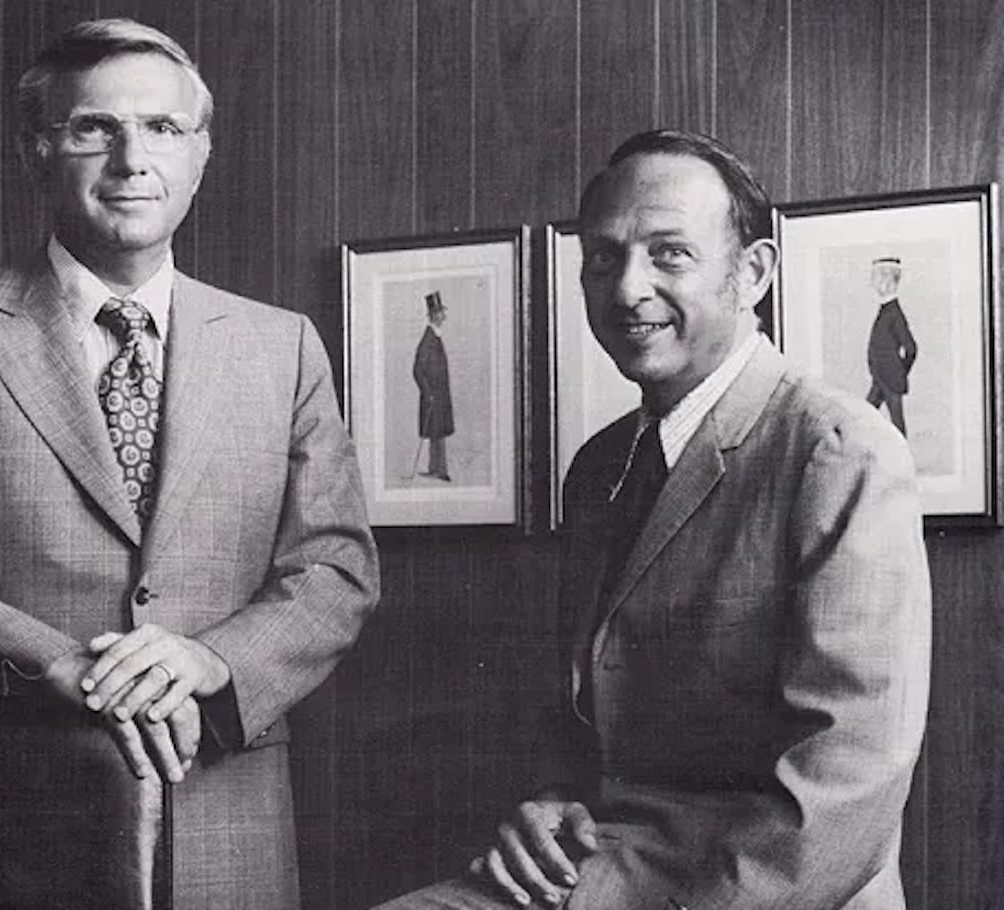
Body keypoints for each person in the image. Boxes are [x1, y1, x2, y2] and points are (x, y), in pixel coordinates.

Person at [0, 18, 378, 909]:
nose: (130, 158)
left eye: (162, 129)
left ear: (201, 156)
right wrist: (61, 668)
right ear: (39, 150)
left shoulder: (283, 347)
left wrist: (209, 660)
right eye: (93, 128)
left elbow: (336, 569)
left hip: (225, 807)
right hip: (5, 809)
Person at [374, 129, 930, 909]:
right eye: (602, 257)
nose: (627, 287)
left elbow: (848, 786)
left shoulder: (840, 450)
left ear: (754, 274)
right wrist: (548, 798)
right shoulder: (600, 466)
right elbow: (584, 705)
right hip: (605, 863)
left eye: (669, 253)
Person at [865, 256, 917, 436]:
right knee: (865, 417)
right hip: (880, 378)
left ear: (887, 281)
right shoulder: (886, 309)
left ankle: (903, 460)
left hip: (890, 380)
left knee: (896, 424)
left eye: (875, 278)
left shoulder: (894, 312)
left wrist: (899, 372)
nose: (872, 283)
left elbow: (911, 348)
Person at [413, 290, 454, 481]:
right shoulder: (428, 339)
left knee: (438, 432)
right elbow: (417, 370)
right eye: (439, 313)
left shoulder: (435, 336)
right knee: (437, 432)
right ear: (432, 316)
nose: (443, 316)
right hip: (434, 396)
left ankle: (434, 468)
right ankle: (440, 470)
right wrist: (428, 392)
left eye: (442, 312)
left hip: (439, 395)